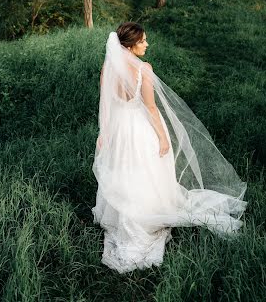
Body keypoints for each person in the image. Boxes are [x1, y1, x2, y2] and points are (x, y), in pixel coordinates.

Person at [91, 22, 248, 273]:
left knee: (124, 171)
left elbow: (106, 106)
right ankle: (147, 213)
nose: (147, 44)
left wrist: (104, 134)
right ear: (131, 45)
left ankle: (123, 214)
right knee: (145, 171)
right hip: (139, 128)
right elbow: (151, 108)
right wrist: (163, 138)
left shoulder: (108, 68)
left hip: (119, 129)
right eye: (143, 41)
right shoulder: (143, 69)